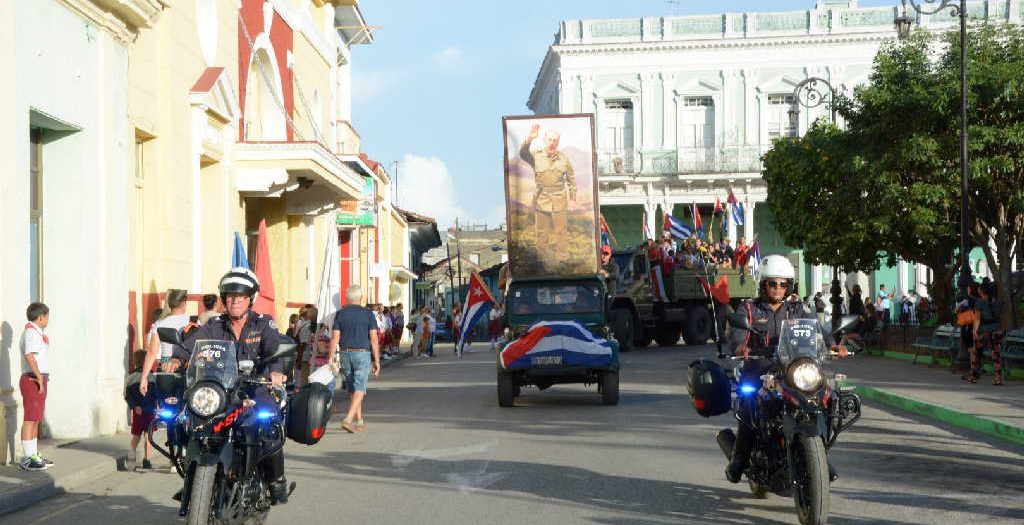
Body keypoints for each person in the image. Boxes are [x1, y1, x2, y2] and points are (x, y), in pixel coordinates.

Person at [141, 268, 291, 504]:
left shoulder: (263, 325)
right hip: (221, 392)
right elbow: (192, 344)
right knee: (186, 418)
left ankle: (276, 479)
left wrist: (276, 371)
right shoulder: (214, 325)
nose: (235, 300)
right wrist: (178, 359)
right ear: (223, 298)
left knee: (269, 424)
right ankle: (195, 478)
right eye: (230, 296)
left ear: (251, 298)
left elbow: (275, 351)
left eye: (241, 296)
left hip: (255, 389)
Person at [723, 255, 846, 485]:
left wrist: (833, 345)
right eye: (772, 283)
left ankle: (819, 453)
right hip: (759, 371)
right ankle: (738, 460)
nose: (778, 289)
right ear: (763, 284)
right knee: (751, 406)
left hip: (793, 370)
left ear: (789, 286)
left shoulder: (798, 308)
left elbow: (818, 329)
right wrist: (741, 346)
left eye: (783, 284)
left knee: (824, 397)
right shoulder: (749, 309)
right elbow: (737, 334)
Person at [519, 123, 577, 265]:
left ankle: (563, 258)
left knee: (561, 231)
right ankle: (541, 259)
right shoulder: (536, 156)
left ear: (558, 142)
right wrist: (529, 139)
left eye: (555, 140)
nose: (552, 143)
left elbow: (571, 179)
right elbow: (523, 154)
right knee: (542, 232)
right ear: (545, 140)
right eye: (550, 140)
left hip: (559, 198)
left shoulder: (564, 159)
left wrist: (573, 198)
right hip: (541, 198)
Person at [328, 285, 380, 433]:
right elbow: (374, 338)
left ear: (347, 298)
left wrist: (330, 358)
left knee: (352, 388)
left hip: (345, 353)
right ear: (361, 297)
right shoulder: (368, 313)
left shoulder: (340, 314)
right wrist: (377, 360)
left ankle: (359, 420)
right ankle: (348, 419)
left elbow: (335, 337)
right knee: (360, 388)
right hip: (362, 354)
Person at [19, 302, 53, 471]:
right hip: (32, 379)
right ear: (41, 317)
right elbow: (29, 356)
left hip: (38, 379)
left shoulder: (37, 333)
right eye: (47, 316)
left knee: (36, 418)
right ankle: (26, 458)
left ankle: (33, 454)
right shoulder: (31, 333)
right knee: (30, 418)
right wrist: (39, 377)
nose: (48, 319)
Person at [139, 289, 192, 384]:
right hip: (189, 367)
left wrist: (144, 378)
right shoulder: (193, 320)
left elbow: (152, 353)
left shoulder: (160, 323)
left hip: (166, 366)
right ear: (184, 303)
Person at [966, 281, 1005, 385]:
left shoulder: (979, 302)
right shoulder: (998, 302)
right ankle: (998, 378)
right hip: (997, 331)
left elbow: (977, 319)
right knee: (996, 354)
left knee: (976, 352)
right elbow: (1000, 317)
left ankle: (973, 375)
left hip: (985, 331)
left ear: (982, 291)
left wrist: (974, 331)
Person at [125, 351, 156, 469]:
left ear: (135, 361)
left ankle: (132, 456)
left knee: (137, 436)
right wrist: (158, 404)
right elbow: (155, 394)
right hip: (149, 411)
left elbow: (127, 396)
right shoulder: (151, 377)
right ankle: (146, 460)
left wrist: (134, 406)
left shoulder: (130, 378)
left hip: (139, 412)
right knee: (148, 437)